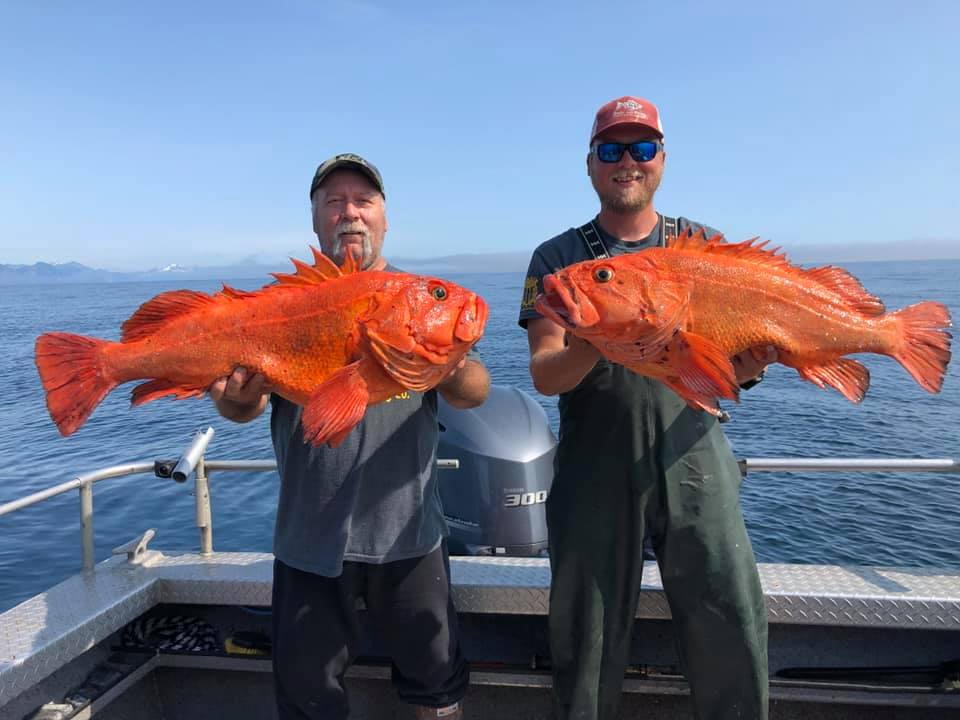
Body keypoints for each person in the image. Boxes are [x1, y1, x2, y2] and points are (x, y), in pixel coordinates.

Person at [518, 97, 776, 720]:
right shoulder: (558, 261)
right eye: (611, 150)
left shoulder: (704, 247)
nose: (626, 162)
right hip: (593, 467)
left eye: (641, 149)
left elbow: (735, 370)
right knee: (587, 635)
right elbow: (545, 373)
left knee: (728, 615)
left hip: (694, 452)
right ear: (590, 165)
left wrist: (757, 361)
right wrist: (596, 335)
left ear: (662, 160)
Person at [210, 153, 490, 720]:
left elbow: (476, 390)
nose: (350, 214)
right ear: (315, 220)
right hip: (308, 542)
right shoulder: (285, 303)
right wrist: (236, 394)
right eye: (333, 202)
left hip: (409, 539)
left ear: (385, 217)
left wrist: (451, 364)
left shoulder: (416, 300)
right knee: (309, 699)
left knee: (435, 690)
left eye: (363, 201)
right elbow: (242, 406)